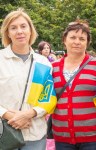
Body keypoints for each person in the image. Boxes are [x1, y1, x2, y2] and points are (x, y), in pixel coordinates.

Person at [0, 8, 57, 150]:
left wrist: (28, 114)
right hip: (4, 135)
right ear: (7, 33)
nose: (19, 31)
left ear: (30, 30)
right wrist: (7, 115)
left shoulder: (43, 63)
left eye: (23, 26)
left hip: (35, 136)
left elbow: (49, 98)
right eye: (13, 28)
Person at [51, 19, 96, 150]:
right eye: (72, 37)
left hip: (92, 137)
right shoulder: (52, 68)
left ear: (87, 43)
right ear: (64, 40)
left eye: (82, 39)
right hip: (62, 137)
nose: (77, 42)